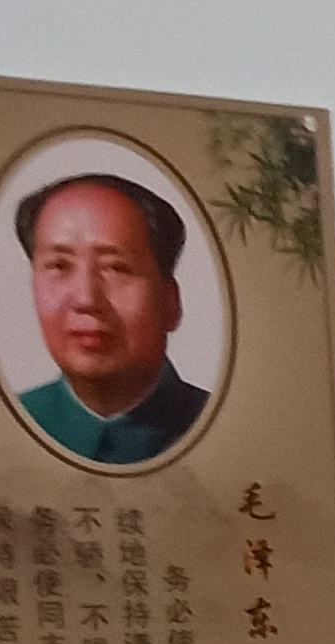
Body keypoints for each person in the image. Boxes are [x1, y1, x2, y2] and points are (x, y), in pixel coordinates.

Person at [12, 172, 210, 465]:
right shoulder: (6, 426)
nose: (86, 299)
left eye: (116, 268)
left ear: (170, 302)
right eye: (59, 266)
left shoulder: (222, 428)